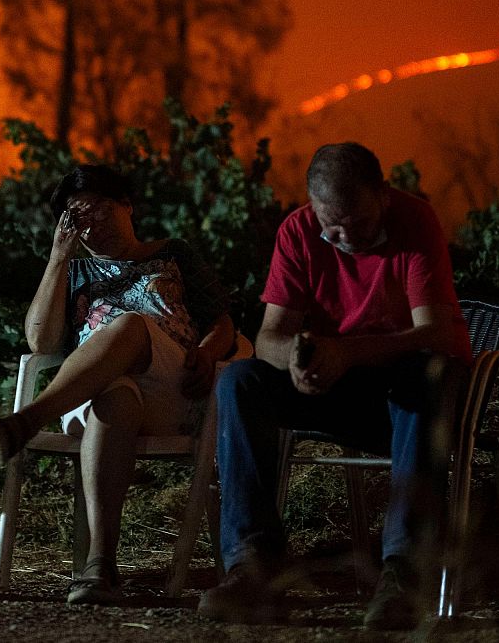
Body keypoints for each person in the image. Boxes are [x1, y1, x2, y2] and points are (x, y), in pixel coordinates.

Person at [198, 143, 469, 629]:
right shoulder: (299, 232)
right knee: (240, 380)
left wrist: (348, 352)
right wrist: (299, 361)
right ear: (313, 207)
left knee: (425, 375)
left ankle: (405, 573)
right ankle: (254, 565)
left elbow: (438, 333)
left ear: (383, 196)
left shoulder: (415, 222)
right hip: (333, 389)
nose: (344, 238)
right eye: (332, 226)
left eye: (358, 225)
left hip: (407, 399)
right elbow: (268, 338)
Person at [0, 164, 236, 605]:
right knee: (114, 397)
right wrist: (59, 256)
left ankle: (26, 421)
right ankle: (100, 567)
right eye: (78, 217)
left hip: (174, 384)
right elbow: (40, 340)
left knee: (129, 325)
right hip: (95, 394)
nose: (92, 223)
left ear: (127, 206)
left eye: (99, 208)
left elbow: (224, 322)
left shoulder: (172, 254)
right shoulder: (74, 273)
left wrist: (208, 354)